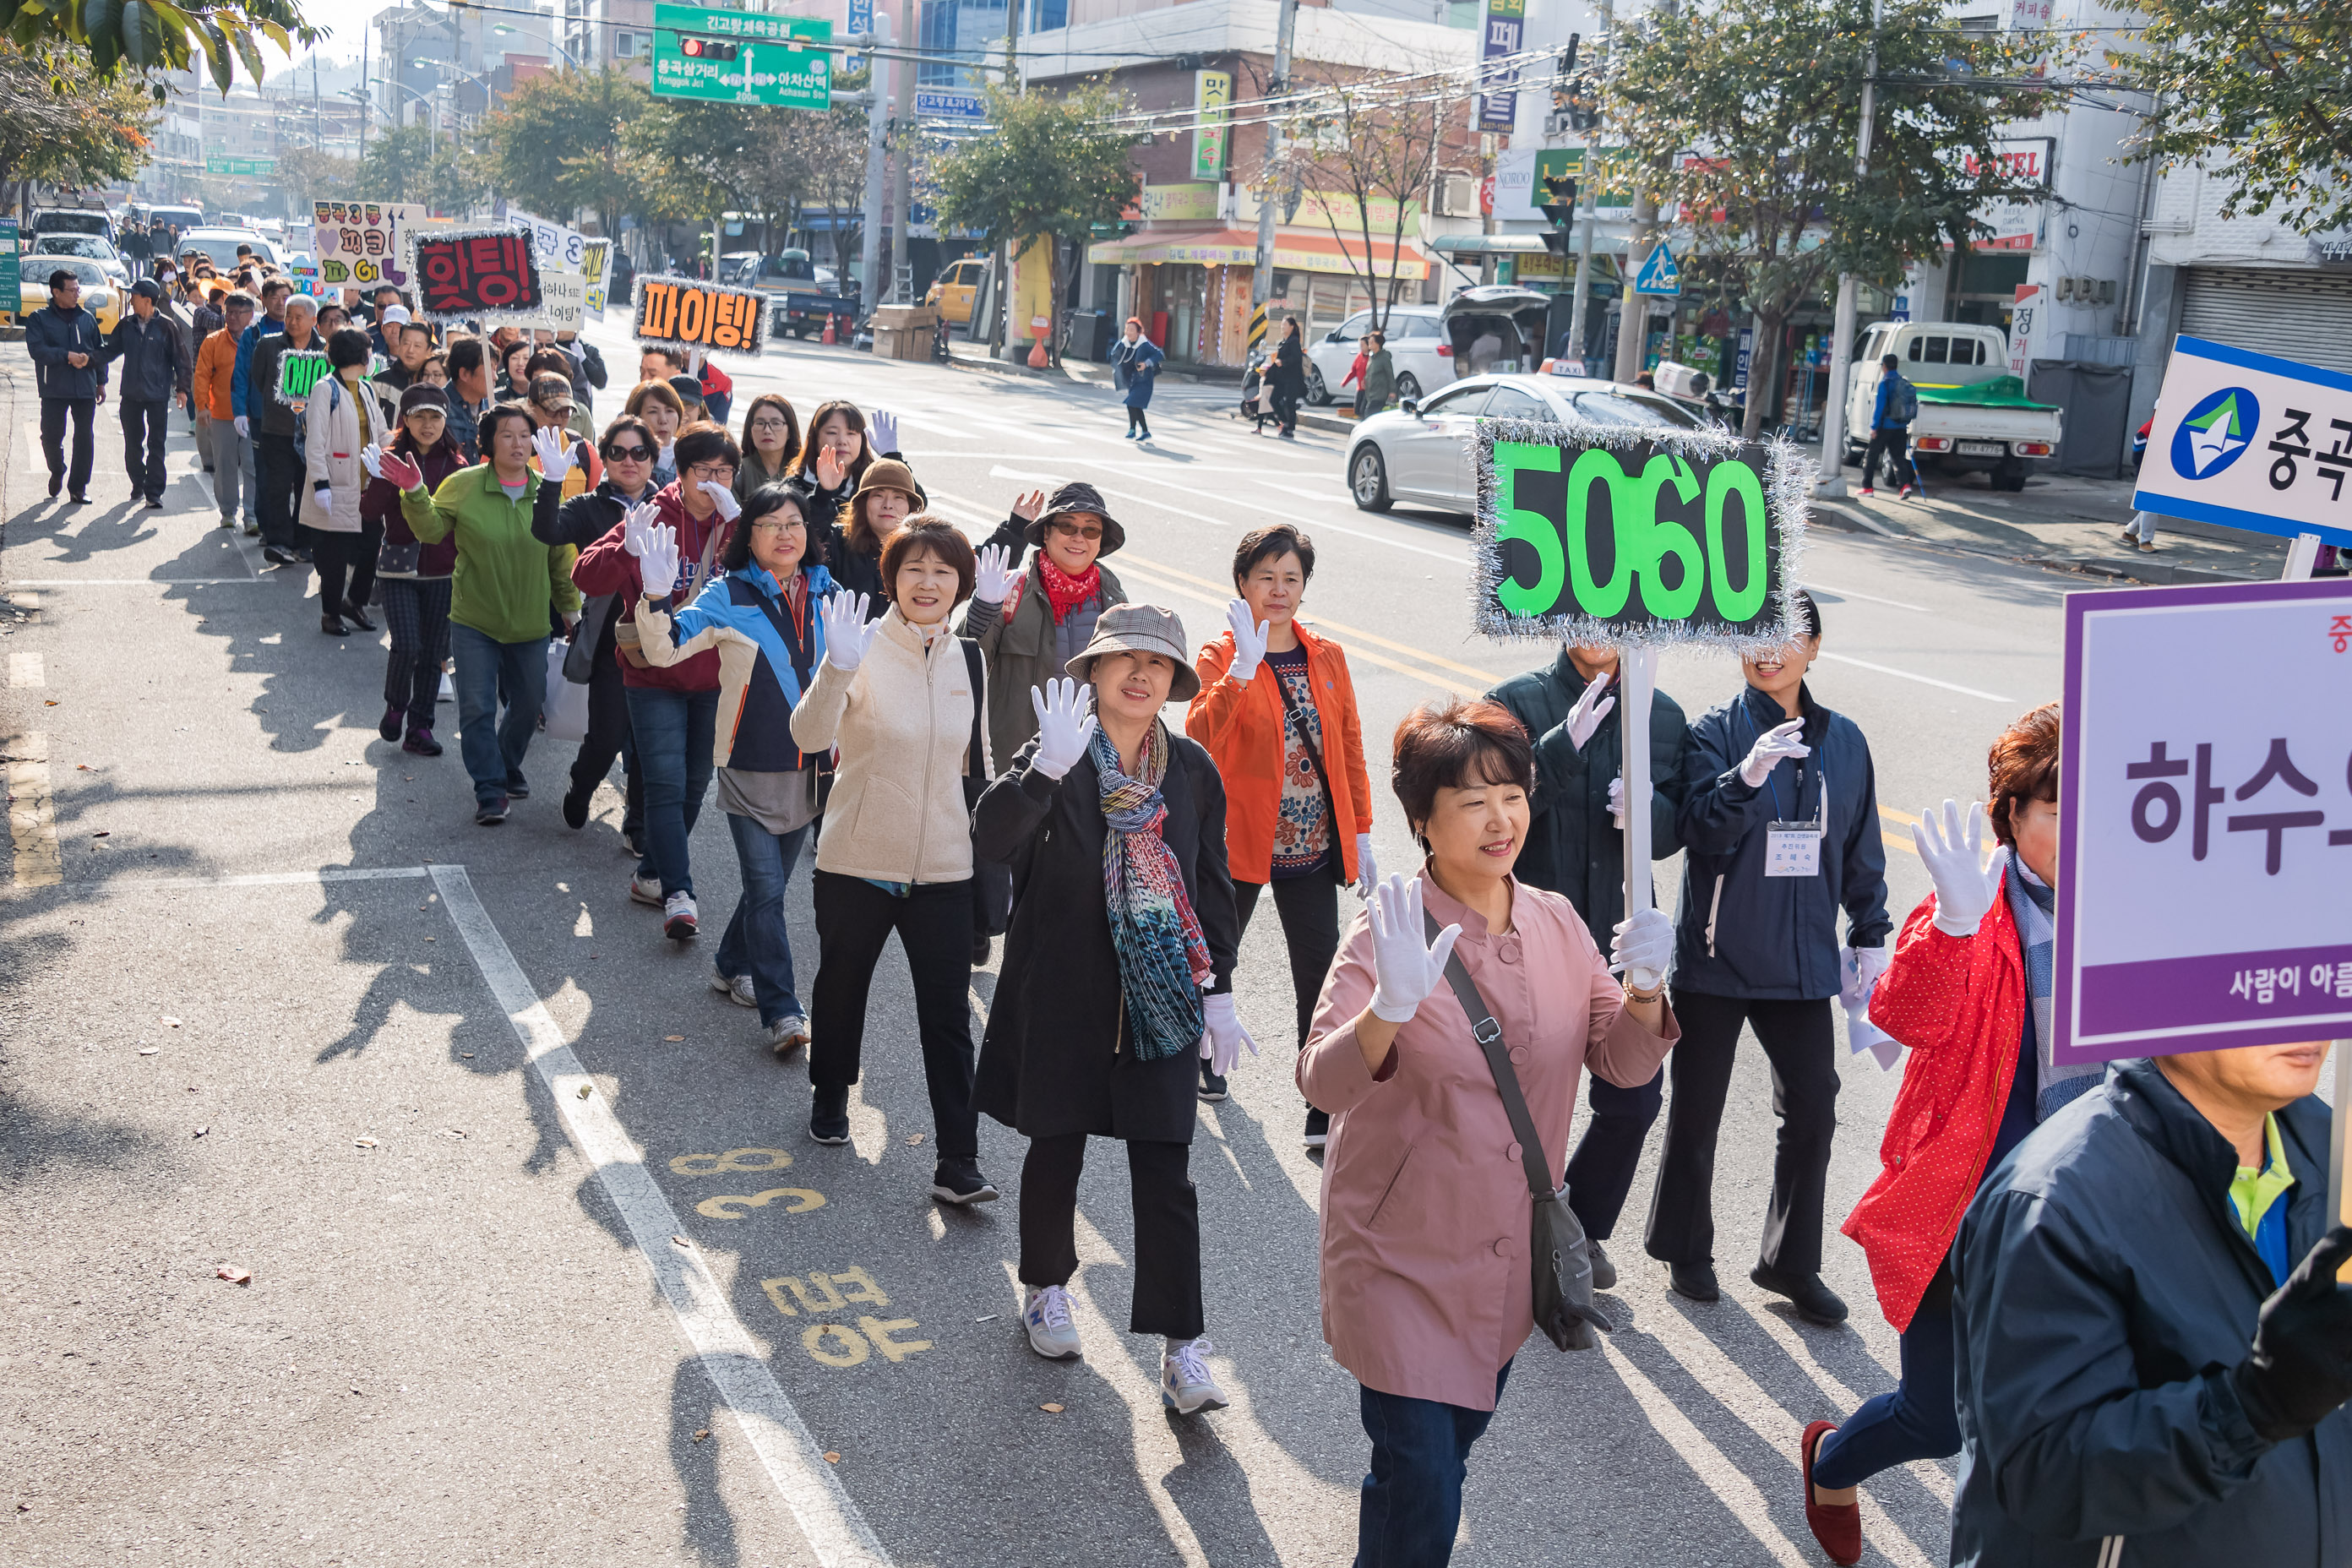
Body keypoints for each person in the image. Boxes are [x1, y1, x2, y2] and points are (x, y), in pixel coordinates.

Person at [1301, 697, 1679, 1567]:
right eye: (1472, 799)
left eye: (1511, 792)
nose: (1500, 817)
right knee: (1423, 1476)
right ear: (1424, 820)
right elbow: (1322, 1079)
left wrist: (1648, 988)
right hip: (1397, 1251)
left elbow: (1623, 1063)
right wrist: (1387, 1010)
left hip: (1506, 1257)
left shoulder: (1555, 919)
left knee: (1440, 1459)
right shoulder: (1390, 925)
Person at [1799, 705, 2088, 1565]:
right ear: (2012, 813)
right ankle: (1831, 1459)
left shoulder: (2124, 908)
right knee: (1933, 1414)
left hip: (2077, 1203)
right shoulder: (1974, 903)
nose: (2077, 832)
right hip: (1962, 1197)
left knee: (2037, 1412)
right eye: (2054, 809)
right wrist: (1958, 927)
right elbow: (1904, 1014)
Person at [972, 620, 1250, 1413]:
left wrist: (1219, 987)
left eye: (1158, 663)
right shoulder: (1056, 749)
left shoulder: (1190, 768)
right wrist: (1043, 773)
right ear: (1093, 670)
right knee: (1056, 1148)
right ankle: (1046, 1287)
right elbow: (991, 840)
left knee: (1166, 1173)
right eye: (1125, 659)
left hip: (1159, 996)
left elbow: (1211, 881)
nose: (1142, 674)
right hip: (1065, 989)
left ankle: (1183, 1347)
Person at [1948, 1038, 2352, 1566]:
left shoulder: (2330, 1144)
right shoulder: (2055, 1202)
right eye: (2261, 972)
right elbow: (2047, 1476)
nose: (2305, 1009)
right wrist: (2255, 1406)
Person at [1644, 590, 1891, 1324]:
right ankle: (1685, 1247)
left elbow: (1859, 848)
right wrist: (1744, 778)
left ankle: (1790, 1264)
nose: (1768, 648)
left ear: (1815, 647)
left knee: (1814, 1108)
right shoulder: (1715, 732)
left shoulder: (1844, 743)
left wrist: (1870, 932)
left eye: (1787, 634)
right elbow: (1699, 830)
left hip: (1802, 962)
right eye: (1753, 633)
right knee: (1698, 1109)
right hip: (1718, 957)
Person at [787, 519, 994, 1203]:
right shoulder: (861, 645)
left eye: (943, 572)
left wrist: (992, 866)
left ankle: (958, 1163)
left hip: (944, 868)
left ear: (961, 585)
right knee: (842, 989)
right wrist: (837, 664)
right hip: (856, 860)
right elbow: (810, 735)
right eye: (914, 569)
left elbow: (978, 771)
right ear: (893, 580)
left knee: (948, 1019)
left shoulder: (970, 659)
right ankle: (830, 1094)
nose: (928, 582)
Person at [1485, 644, 1688, 1282]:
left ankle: (1580, 1226)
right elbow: (1490, 815)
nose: (1598, 628)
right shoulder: (1515, 702)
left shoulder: (1661, 715)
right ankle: (1501, 1228)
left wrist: (1649, 813)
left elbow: (1680, 824)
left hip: (1622, 937)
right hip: (1530, 936)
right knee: (1515, 1100)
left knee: (1634, 1097)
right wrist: (1557, 749)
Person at [629, 483, 836, 1057]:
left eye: (794, 522)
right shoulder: (728, 594)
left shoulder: (829, 593)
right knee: (767, 890)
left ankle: (728, 963)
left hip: (814, 770)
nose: (786, 533)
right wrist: (653, 597)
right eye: (771, 524)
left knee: (768, 890)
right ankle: (783, 1011)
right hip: (747, 768)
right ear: (751, 536)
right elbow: (665, 647)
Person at [1187, 525, 1375, 1132]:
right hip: (1238, 841)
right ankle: (1209, 1054)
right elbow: (1198, 738)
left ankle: (1321, 1101)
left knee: (1321, 973)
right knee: (1217, 954)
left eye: (1290, 578)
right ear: (1242, 583)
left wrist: (1363, 831)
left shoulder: (1327, 657)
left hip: (1312, 843)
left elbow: (1348, 747)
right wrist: (1241, 672)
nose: (1278, 589)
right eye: (1265, 576)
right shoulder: (1222, 655)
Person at [370, 403, 581, 825]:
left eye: (525, 435)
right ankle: (489, 788)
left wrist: (572, 614)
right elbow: (429, 531)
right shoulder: (463, 485)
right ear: (488, 443)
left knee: (528, 704)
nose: (518, 443)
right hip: (473, 621)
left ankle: (505, 763)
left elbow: (562, 562)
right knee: (477, 708)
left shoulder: (548, 491)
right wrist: (414, 493)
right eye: (507, 434)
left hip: (529, 624)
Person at [571, 422, 741, 939]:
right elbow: (586, 575)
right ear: (682, 474)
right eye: (704, 472)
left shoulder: (738, 521)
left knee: (694, 785)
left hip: (713, 676)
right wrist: (627, 549)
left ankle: (651, 874)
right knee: (664, 786)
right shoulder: (652, 515)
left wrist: (740, 527)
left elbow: (775, 580)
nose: (714, 483)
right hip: (652, 675)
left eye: (725, 473)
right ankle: (679, 892)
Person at [530, 413, 662, 853]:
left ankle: (639, 822)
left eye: (639, 452)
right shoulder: (589, 506)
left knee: (648, 743)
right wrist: (551, 480)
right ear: (605, 460)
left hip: (662, 638)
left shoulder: (669, 506)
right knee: (606, 736)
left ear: (652, 459)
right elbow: (546, 530)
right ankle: (581, 784)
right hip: (610, 640)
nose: (630, 461)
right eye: (618, 453)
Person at [959, 481, 1126, 773]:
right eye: (1067, 527)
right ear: (1046, 533)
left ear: (1100, 541)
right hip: (1015, 763)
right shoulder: (1010, 590)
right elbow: (962, 663)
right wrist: (984, 606)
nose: (1078, 538)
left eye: (1090, 530)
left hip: (1087, 762)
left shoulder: (1113, 599)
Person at [367, 385, 466, 758]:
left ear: (446, 420)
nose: (428, 424)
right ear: (404, 420)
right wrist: (381, 478)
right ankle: (396, 705)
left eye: (435, 416)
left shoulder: (459, 466)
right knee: (407, 644)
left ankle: (420, 727)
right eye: (419, 416)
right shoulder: (390, 461)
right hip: (398, 568)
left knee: (434, 653)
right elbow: (368, 512)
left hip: (444, 571)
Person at [299, 327, 392, 636]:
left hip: (366, 487)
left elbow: (381, 431)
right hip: (336, 485)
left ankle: (355, 602)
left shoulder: (366, 389)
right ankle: (330, 613)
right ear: (361, 355)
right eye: (368, 351)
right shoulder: (326, 389)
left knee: (370, 547)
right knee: (334, 556)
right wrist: (321, 484)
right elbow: (315, 441)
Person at [96, 277, 190, 509]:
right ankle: (138, 481)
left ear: (146, 300)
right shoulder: (126, 324)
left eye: (134, 296)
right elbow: (109, 351)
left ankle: (154, 492)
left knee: (156, 444)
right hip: (130, 394)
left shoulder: (167, 326)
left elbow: (181, 359)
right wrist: (88, 359)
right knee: (132, 445)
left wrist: (182, 389)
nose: (131, 300)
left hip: (157, 396)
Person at [247, 295, 324, 566]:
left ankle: (304, 543)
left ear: (314, 320)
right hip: (276, 429)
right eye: (288, 315)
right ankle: (278, 541)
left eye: (298, 317)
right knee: (276, 487)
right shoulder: (268, 346)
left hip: (314, 434)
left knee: (308, 488)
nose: (291, 321)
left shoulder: (326, 350)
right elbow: (259, 379)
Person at [27, 267, 108, 505]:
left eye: (78, 289)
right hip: (54, 387)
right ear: (56, 292)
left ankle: (78, 488)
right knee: (51, 436)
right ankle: (57, 469)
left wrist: (101, 381)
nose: (76, 294)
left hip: (84, 387)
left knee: (84, 437)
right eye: (71, 290)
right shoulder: (39, 319)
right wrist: (67, 356)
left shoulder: (87, 318)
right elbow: (38, 351)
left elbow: (99, 350)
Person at [818, 459, 920, 607]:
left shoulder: (921, 551)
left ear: (910, 508)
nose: (888, 505)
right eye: (878, 495)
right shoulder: (838, 542)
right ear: (863, 503)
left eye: (898, 497)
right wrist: (823, 495)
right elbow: (812, 538)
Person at [194, 290, 255, 529]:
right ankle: (228, 511)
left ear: (250, 315)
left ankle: (252, 516)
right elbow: (201, 376)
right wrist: (202, 406)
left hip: (253, 416)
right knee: (225, 465)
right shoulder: (213, 342)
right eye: (229, 312)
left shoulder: (260, 340)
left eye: (239, 313)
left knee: (252, 466)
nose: (232, 317)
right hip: (221, 414)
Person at [792, 401, 906, 520]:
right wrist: (823, 494)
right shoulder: (795, 485)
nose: (842, 441)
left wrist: (892, 457)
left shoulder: (873, 484)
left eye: (851, 433)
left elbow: (916, 505)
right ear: (815, 438)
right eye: (832, 433)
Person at [1859, 353, 1917, 499]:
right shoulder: (1903, 382)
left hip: (1885, 427)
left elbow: (1879, 408)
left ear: (1884, 366)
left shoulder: (1885, 383)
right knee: (1898, 457)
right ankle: (1905, 486)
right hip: (1901, 427)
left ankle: (1867, 488)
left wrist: (1874, 427)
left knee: (1871, 456)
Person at [734, 394, 800, 502]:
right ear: (750, 430)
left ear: (790, 431)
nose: (767, 430)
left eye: (776, 423)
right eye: (760, 423)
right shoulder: (738, 472)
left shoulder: (801, 471)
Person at [1108, 317, 1163, 442]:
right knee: (1135, 406)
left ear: (1139, 332)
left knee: (1131, 403)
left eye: (1132, 329)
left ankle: (1132, 430)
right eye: (1127, 329)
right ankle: (1144, 431)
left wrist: (1146, 363)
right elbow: (1113, 356)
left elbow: (1159, 354)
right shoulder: (1123, 343)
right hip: (1132, 380)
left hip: (1144, 381)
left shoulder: (1144, 344)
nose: (1129, 332)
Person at [623, 379, 687, 483]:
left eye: (669, 411)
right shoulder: (624, 458)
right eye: (653, 412)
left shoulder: (689, 456)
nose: (663, 420)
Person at [444, 338, 492, 460]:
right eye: (489, 369)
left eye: (496, 369)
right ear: (465, 374)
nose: (495, 377)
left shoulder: (493, 408)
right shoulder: (439, 407)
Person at [1269, 318, 1307, 439]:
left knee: (1290, 404)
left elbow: (1297, 358)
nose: (1282, 327)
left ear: (1291, 327)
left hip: (1293, 378)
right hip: (1282, 379)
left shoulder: (1294, 341)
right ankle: (1284, 421)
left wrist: (1283, 362)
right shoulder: (1283, 342)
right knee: (1274, 399)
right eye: (1281, 324)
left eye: (1285, 324)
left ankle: (1290, 429)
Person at [378, 320, 432, 395]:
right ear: (399, 345)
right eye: (406, 344)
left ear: (429, 350)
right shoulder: (380, 382)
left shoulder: (434, 381)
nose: (410, 350)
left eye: (417, 346)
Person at [1357, 330, 1394, 419]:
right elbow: (1369, 372)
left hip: (1379, 393)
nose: (1369, 343)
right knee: (1362, 412)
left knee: (1369, 415)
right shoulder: (1371, 356)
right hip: (1369, 393)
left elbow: (1390, 375)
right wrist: (1365, 380)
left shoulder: (1384, 358)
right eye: (1369, 341)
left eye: (1372, 342)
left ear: (1378, 344)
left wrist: (1392, 391)